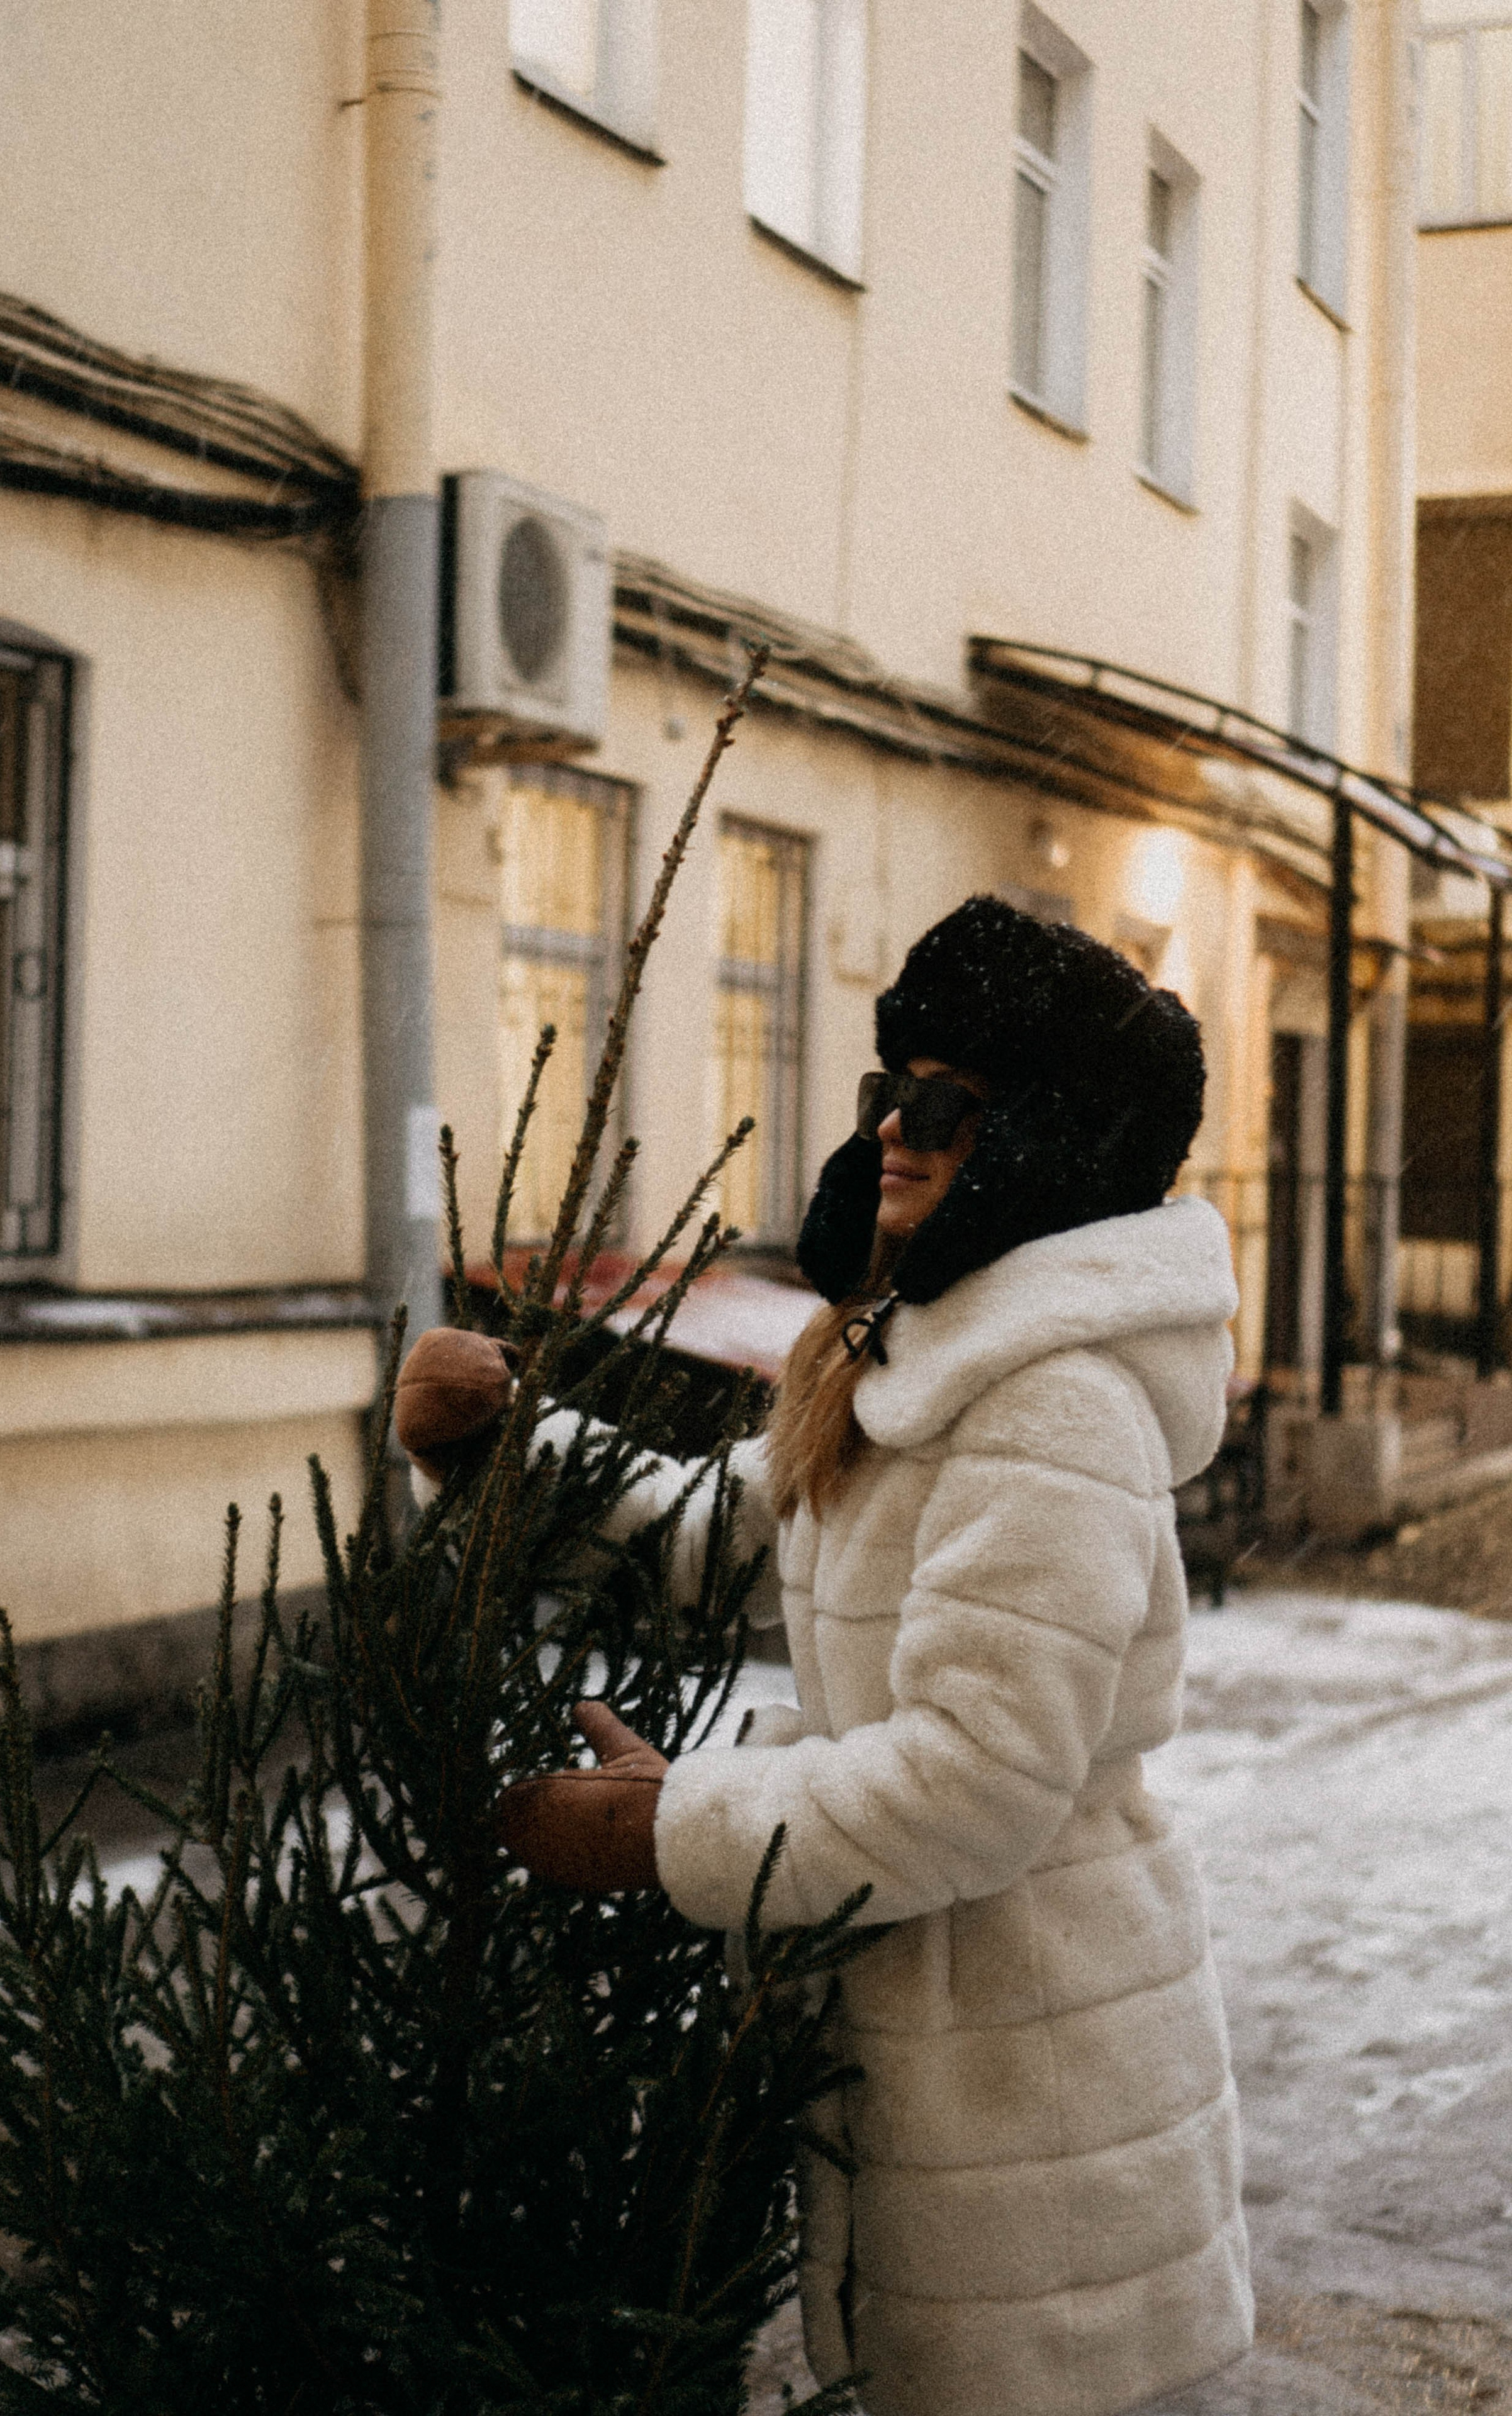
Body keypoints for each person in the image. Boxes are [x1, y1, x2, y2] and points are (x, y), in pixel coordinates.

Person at [397, 893, 1252, 2416]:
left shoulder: (1048, 1401)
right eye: (887, 1094)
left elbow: (973, 1783)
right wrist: (501, 1459)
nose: (900, 1135)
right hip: (949, 2054)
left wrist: (671, 1834)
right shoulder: (914, 1354)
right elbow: (723, 1537)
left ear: (1055, 1138)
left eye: (950, 1105)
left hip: (1034, 2091)